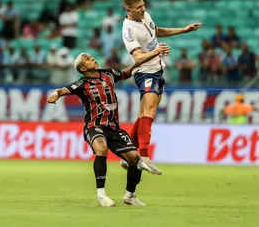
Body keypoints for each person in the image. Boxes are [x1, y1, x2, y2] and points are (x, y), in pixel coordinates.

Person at [46, 48, 170, 207]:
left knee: (134, 158)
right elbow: (63, 90)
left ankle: (130, 196)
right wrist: (55, 94)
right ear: (83, 69)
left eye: (91, 56)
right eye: (88, 58)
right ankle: (101, 194)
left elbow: (128, 71)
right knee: (101, 148)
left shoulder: (108, 74)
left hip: (113, 127)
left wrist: (152, 54)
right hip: (94, 126)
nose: (93, 58)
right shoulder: (82, 84)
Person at [121, 0, 202, 173]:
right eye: (139, 8)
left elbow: (155, 31)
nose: (144, 9)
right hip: (145, 72)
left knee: (144, 114)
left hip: (157, 70)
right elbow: (138, 57)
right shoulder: (128, 31)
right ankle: (144, 155)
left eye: (143, 5)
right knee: (149, 112)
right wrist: (157, 51)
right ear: (129, 10)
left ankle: (128, 155)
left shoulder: (145, 16)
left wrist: (183, 30)